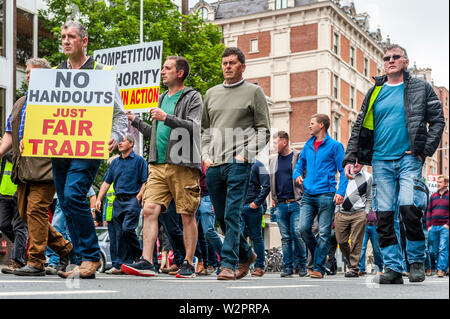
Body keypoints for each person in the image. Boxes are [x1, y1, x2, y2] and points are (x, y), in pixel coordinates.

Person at [343, 44, 445, 284]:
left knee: (409, 207)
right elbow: (360, 127)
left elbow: (438, 121)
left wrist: (424, 149)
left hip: (409, 159)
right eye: (387, 57)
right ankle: (392, 267)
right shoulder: (374, 92)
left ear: (405, 62)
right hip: (380, 161)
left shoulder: (422, 88)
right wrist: (352, 157)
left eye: (396, 57)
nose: (390, 60)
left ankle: (417, 262)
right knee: (385, 215)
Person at [54, 20, 128, 280]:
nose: (65, 41)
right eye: (63, 36)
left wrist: (115, 136)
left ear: (84, 42)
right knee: (65, 201)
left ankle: (91, 256)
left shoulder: (101, 73)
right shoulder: (54, 74)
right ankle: (81, 260)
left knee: (74, 195)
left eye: (71, 36)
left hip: (88, 148)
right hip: (59, 149)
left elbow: (120, 115)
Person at [122, 56, 202, 278]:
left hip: (183, 163)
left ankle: (187, 261)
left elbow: (195, 128)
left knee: (187, 214)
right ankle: (147, 261)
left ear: (180, 73)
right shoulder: (160, 98)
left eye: (167, 68)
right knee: (149, 209)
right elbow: (154, 133)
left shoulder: (192, 97)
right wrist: (136, 120)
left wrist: (166, 117)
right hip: (157, 165)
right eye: (162, 68)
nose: (162, 72)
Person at [201, 47, 271, 280]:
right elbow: (204, 130)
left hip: (239, 163)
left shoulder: (254, 92)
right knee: (220, 216)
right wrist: (205, 155)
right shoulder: (210, 93)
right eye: (224, 63)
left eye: (232, 63)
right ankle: (247, 253)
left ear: (242, 66)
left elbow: (264, 130)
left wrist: (245, 155)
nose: (228, 66)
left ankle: (228, 264)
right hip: (214, 164)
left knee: (232, 213)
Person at [0, 58, 73, 276]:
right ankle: (65, 248)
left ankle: (36, 261)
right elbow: (9, 136)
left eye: (35, 73)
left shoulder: (56, 102)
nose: (29, 75)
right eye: (28, 72)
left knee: (35, 210)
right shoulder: (20, 103)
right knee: (26, 213)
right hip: (23, 170)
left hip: (46, 168)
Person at [293, 114, 348, 279]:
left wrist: (340, 192)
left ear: (322, 125)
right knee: (302, 229)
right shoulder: (308, 145)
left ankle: (318, 267)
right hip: (308, 193)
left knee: (324, 232)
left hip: (327, 193)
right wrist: (297, 175)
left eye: (312, 123)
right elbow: (299, 165)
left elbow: (343, 171)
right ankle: (320, 254)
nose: (309, 126)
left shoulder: (335, 146)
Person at [96, 134, 148, 274]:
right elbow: (106, 182)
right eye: (119, 141)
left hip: (132, 200)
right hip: (118, 201)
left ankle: (139, 254)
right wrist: (99, 199)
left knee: (127, 229)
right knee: (117, 234)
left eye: (123, 141)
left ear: (131, 144)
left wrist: (139, 195)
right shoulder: (115, 163)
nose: (119, 143)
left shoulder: (139, 161)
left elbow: (145, 180)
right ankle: (119, 265)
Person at [269, 131, 307, 277]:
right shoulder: (273, 161)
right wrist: (273, 197)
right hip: (281, 205)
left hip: (296, 202)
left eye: (275, 142)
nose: (273, 146)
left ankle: (302, 266)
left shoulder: (298, 156)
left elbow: (306, 176)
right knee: (285, 238)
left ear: (284, 142)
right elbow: (272, 181)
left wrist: (303, 196)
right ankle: (288, 268)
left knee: (297, 234)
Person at [334, 163, 372, 277]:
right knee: (341, 241)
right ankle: (352, 263)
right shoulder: (343, 175)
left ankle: (354, 268)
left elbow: (369, 197)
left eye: (358, 161)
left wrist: (366, 212)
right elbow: (337, 192)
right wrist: (336, 210)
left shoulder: (368, 177)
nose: (356, 164)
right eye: (353, 161)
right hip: (341, 213)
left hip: (359, 213)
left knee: (356, 241)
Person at [0, 151, 28, 274]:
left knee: (19, 227)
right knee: (3, 224)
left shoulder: (19, 143)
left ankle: (18, 260)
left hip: (19, 191)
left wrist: (3, 150)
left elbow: (18, 160)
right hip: (3, 193)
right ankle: (22, 249)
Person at [241, 159, 270, 276]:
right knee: (239, 236)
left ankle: (259, 267)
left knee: (256, 237)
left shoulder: (259, 165)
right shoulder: (236, 165)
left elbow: (267, 185)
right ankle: (242, 264)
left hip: (254, 208)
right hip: (239, 207)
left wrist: (256, 203)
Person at [427, 175, 449, 277]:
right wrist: (429, 226)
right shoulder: (433, 196)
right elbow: (428, 211)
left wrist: (447, 225)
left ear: (446, 184)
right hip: (433, 227)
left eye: (440, 182)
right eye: (437, 182)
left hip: (444, 227)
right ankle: (440, 267)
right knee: (434, 250)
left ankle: (441, 270)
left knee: (443, 248)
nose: (438, 184)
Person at [359, 210, 384, 275]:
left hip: (375, 225)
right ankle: (361, 269)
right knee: (362, 248)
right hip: (364, 224)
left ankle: (379, 268)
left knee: (376, 249)